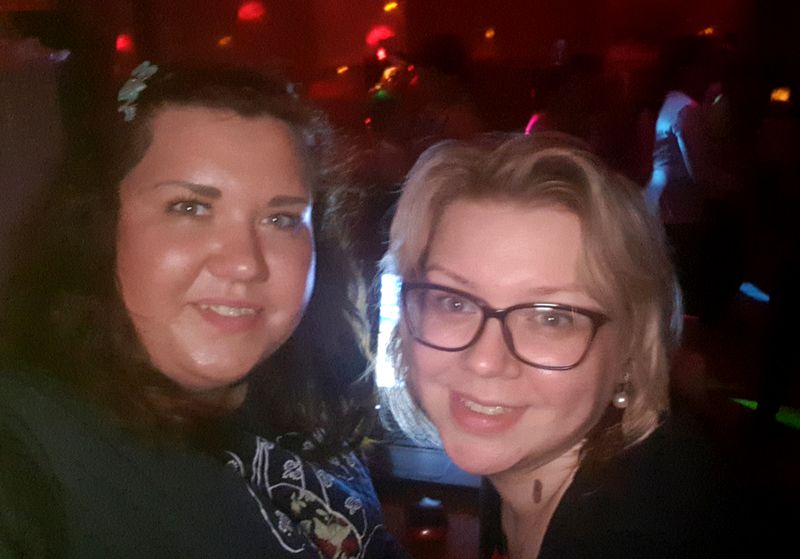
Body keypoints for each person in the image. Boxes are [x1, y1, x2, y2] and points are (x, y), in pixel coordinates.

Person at [0, 62, 405, 558]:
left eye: (281, 219)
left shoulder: (307, 403)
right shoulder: (27, 443)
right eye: (189, 207)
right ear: (99, 226)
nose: (244, 263)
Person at [380, 134, 746, 558]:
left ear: (631, 349)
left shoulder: (633, 535)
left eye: (551, 318)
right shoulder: (528, 459)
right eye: (454, 302)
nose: (483, 361)